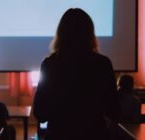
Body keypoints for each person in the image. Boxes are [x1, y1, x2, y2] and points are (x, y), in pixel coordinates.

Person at [33, 8, 119, 140]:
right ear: (90, 33)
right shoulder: (103, 64)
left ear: (61, 33)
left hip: (58, 135)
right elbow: (113, 110)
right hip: (95, 134)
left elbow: (40, 112)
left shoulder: (49, 64)